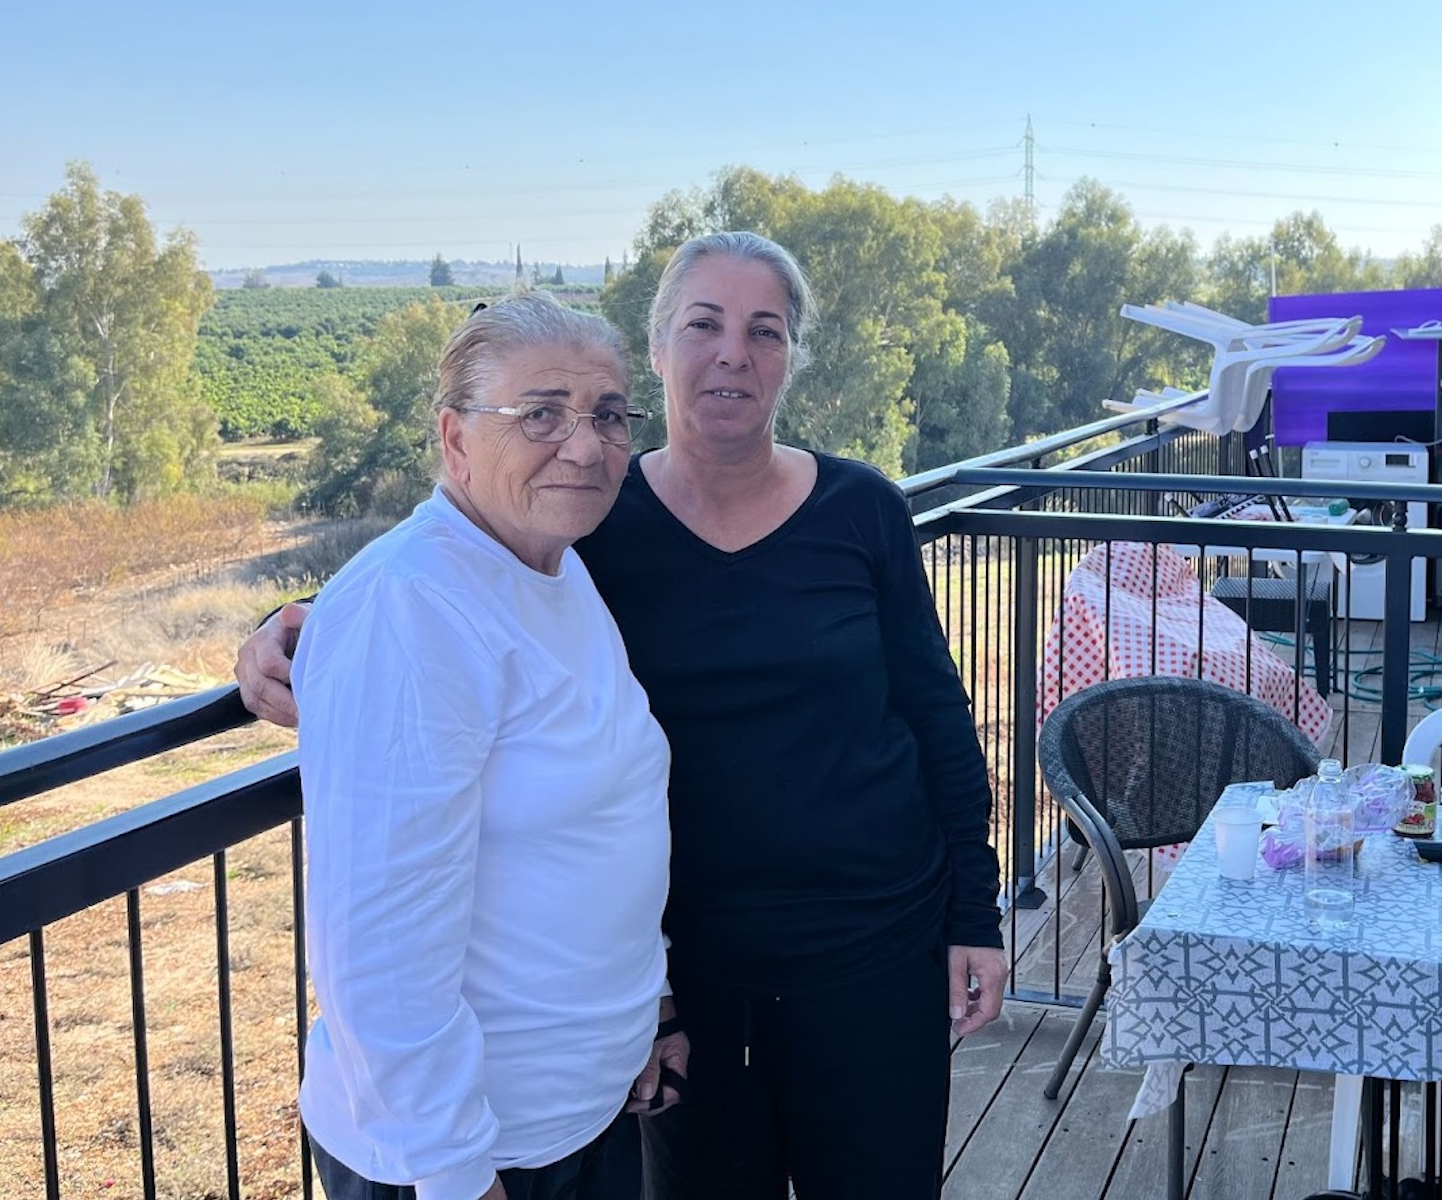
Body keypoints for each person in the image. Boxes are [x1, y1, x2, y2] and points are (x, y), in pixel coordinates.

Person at [239, 233, 1007, 1200]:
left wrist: (972, 912)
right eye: (703, 324)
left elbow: (938, 717)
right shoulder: (596, 517)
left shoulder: (855, 511)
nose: (733, 352)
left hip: (866, 954)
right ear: (659, 346)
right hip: (697, 976)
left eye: (763, 331)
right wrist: (295, 623)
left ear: (789, 358)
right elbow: (444, 565)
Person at [290, 292, 679, 1200]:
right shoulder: (411, 607)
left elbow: (600, 824)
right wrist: (455, 1172)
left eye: (608, 415)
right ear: (456, 436)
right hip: (467, 1158)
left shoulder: (554, 567)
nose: (583, 445)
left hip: (577, 1116)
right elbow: (379, 944)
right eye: (539, 413)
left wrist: (646, 1009)